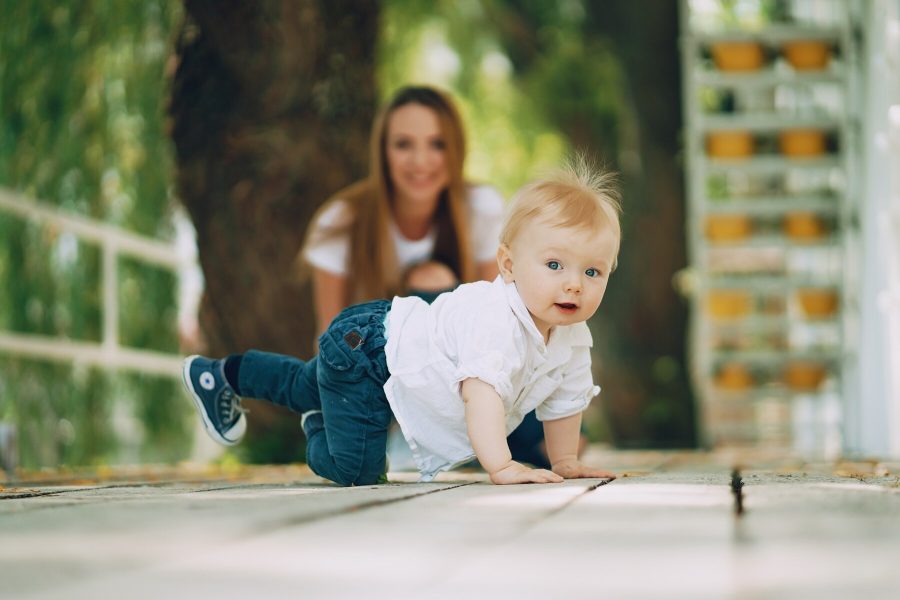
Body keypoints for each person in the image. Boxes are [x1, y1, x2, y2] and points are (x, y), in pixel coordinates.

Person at [182, 161, 620, 486]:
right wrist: (502, 466)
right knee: (358, 471)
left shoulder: (573, 337)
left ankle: (222, 374)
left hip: (381, 352)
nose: (574, 285)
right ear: (508, 264)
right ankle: (320, 426)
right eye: (555, 264)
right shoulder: (498, 322)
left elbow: (566, 401)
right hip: (368, 353)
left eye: (592, 272)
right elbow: (481, 396)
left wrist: (563, 461)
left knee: (301, 383)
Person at [300, 84, 555, 468]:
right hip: (383, 379)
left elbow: (502, 319)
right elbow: (327, 338)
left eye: (436, 144)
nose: (421, 160)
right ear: (383, 152)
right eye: (403, 144)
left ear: (455, 151)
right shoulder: (342, 221)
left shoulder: (480, 209)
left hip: (472, 376)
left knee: (548, 442)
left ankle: (482, 435)